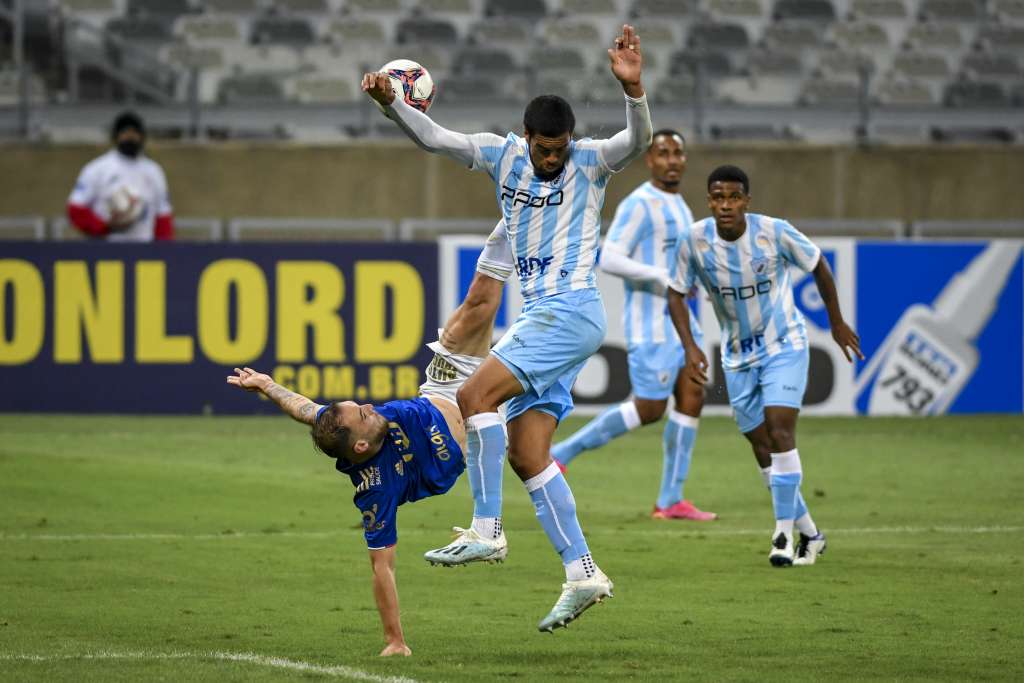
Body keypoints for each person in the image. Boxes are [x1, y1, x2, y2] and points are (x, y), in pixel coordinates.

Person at [361, 24, 652, 631]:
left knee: (472, 396)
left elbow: (637, 140)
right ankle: (582, 572)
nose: (554, 158)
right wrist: (393, 107)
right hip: (550, 322)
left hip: (568, 310)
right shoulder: (502, 155)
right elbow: (435, 137)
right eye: (546, 148)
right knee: (528, 453)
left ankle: (488, 529)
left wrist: (634, 91)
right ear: (528, 138)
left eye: (561, 148)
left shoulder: (591, 163)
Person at [227, 226, 513, 657]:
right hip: (479, 420)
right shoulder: (377, 490)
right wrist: (394, 640)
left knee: (479, 300)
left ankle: (515, 216)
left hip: (441, 385)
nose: (371, 408)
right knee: (534, 338)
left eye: (360, 404)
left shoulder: (341, 424)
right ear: (360, 447)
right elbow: (383, 568)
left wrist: (269, 386)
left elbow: (306, 409)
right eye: (363, 415)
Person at [666, 165, 864, 567]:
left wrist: (837, 321)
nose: (726, 205)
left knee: (780, 429)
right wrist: (690, 346)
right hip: (737, 356)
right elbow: (674, 294)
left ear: (746, 201)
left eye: (733, 198)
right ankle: (810, 533)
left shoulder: (773, 232)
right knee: (761, 445)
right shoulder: (694, 241)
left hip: (784, 344)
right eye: (718, 198)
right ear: (709, 201)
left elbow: (818, 266)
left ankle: (781, 535)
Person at [550, 129, 716, 522]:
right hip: (651, 324)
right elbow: (608, 259)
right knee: (650, 408)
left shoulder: (678, 205)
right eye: (663, 153)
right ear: (650, 160)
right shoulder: (640, 204)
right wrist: (662, 276)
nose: (672, 160)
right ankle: (562, 453)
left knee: (693, 397)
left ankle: (671, 499)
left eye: (678, 153)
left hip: (681, 323)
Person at [67, 110, 174, 241]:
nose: (130, 137)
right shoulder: (97, 169)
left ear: (142, 136)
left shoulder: (154, 172)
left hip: (144, 251)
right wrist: (104, 227)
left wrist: (163, 251)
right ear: (116, 136)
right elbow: (75, 209)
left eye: (134, 133)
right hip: (107, 251)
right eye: (125, 133)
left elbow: (163, 217)